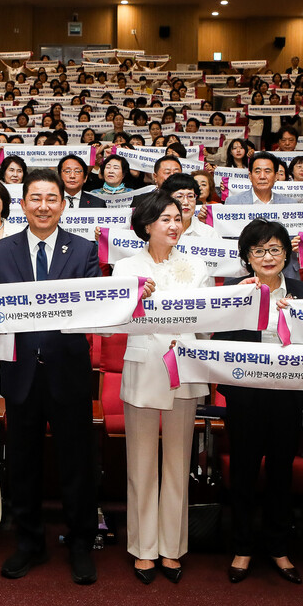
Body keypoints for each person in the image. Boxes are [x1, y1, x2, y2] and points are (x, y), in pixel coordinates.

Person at [0, 169, 101, 585]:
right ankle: (29, 542)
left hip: (69, 372)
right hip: (22, 373)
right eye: (36, 198)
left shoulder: (84, 250)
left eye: (52, 198)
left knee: (77, 464)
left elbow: (95, 307)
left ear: (63, 205)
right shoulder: (3, 250)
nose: (44, 205)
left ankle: (81, 542)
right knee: (24, 465)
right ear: (24, 202)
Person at [112, 190, 209, 584]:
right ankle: (143, 548)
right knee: (141, 464)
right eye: (165, 219)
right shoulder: (124, 268)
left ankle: (172, 547)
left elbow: (206, 316)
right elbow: (115, 321)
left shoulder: (197, 265)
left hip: (183, 368)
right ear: (147, 224)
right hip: (142, 368)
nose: (173, 225)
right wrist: (134, 299)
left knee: (176, 464)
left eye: (178, 218)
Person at [220, 218, 303, 585]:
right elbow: (221, 341)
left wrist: (299, 319)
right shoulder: (233, 288)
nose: (267, 256)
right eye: (258, 250)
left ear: (286, 253)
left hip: (288, 397)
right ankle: (242, 547)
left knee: (280, 472)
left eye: (275, 249)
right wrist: (240, 301)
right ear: (246, 257)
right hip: (245, 396)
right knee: (242, 471)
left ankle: (278, 547)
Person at [225, 152, 296, 206]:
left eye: (267, 171)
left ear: (276, 176)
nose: (262, 176)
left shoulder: (290, 204)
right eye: (257, 172)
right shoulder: (233, 202)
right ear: (250, 176)